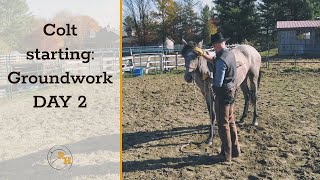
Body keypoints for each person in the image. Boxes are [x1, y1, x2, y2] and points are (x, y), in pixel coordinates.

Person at [193, 32, 240, 162]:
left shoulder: (220, 61)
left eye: (214, 45)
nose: (213, 48)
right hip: (231, 91)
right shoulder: (229, 54)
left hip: (222, 94)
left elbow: (218, 83)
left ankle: (226, 154)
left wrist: (208, 78)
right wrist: (203, 54)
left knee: (222, 124)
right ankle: (235, 150)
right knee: (231, 121)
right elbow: (214, 60)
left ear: (217, 44)